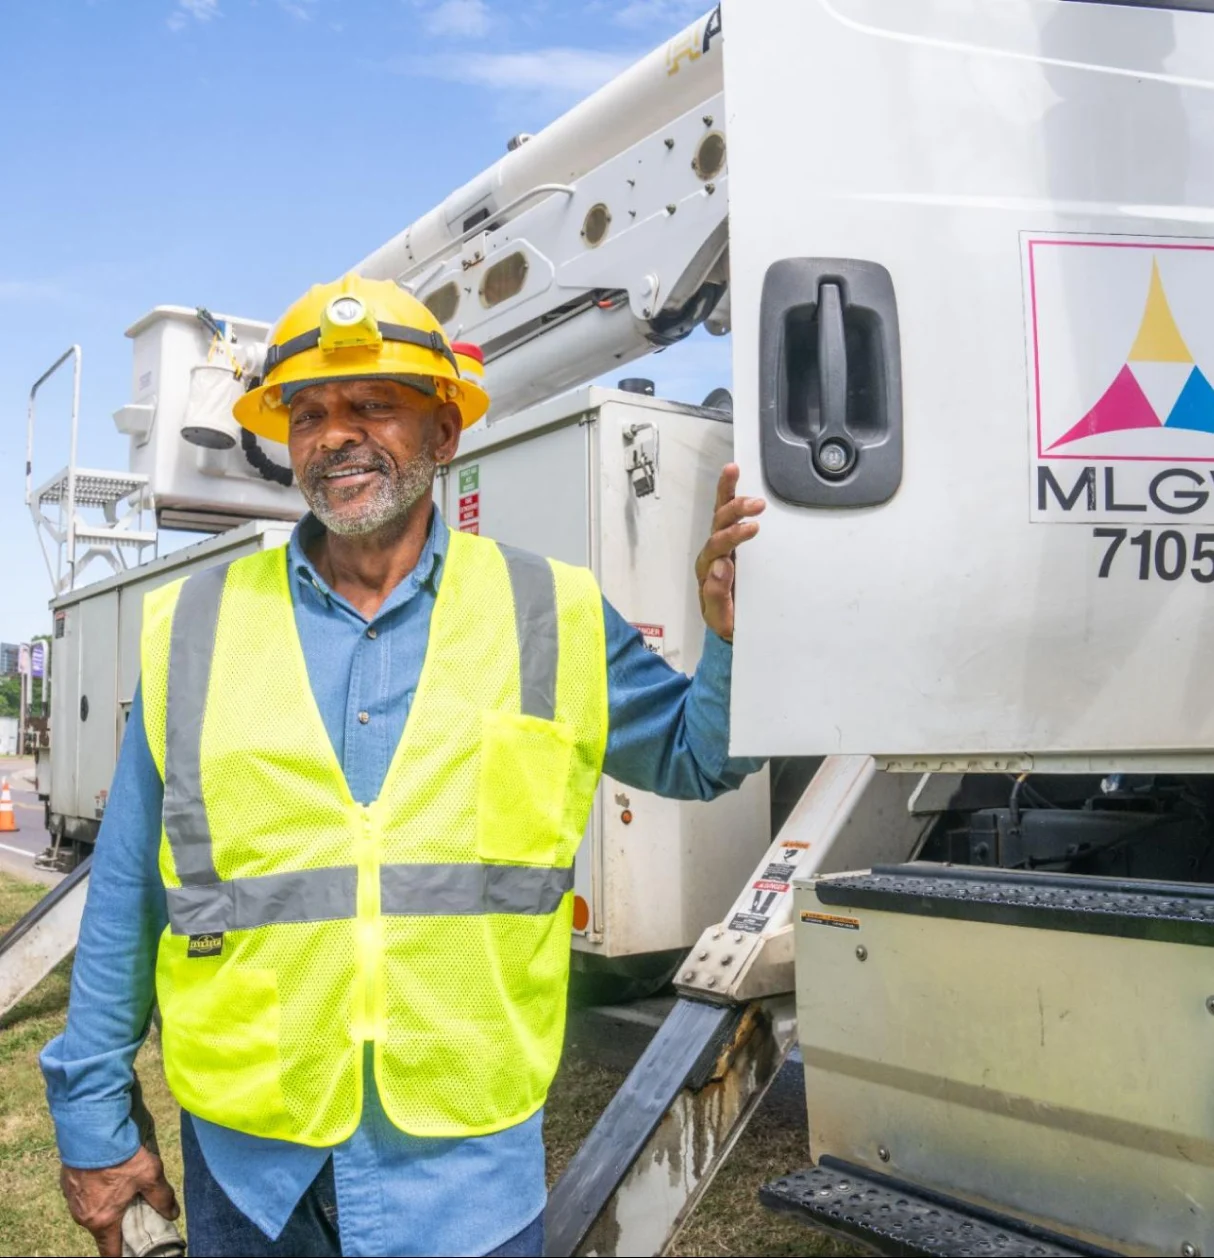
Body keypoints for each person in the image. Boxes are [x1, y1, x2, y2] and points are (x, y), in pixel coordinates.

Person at [41, 274, 767, 1258]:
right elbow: (129, 886)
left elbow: (696, 758)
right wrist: (93, 1122)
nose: (335, 434)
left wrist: (729, 639)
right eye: (309, 414)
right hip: (252, 1178)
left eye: (373, 405)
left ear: (444, 435)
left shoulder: (546, 610)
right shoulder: (199, 626)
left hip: (464, 1179)